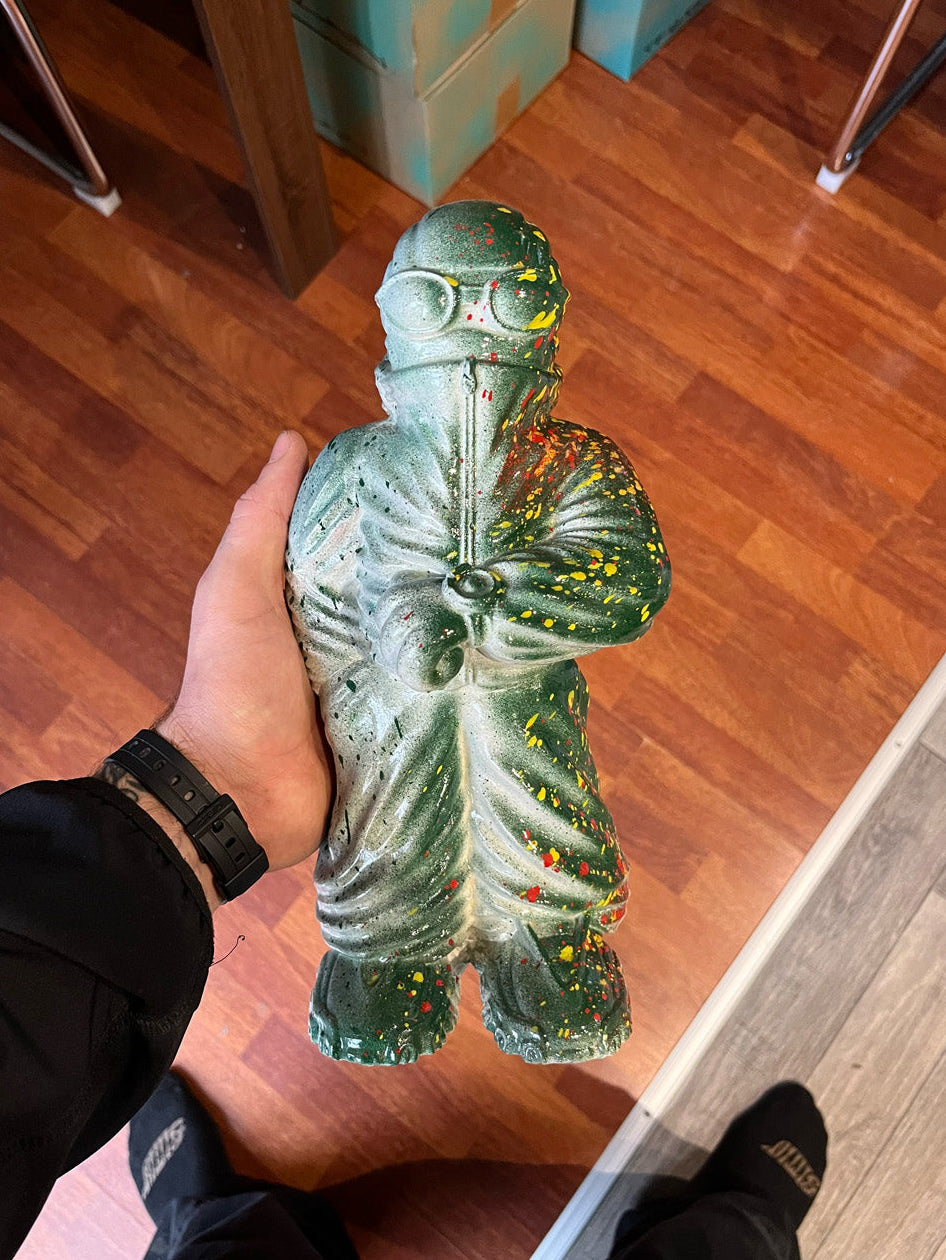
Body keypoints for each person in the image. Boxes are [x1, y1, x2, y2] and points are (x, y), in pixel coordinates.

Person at [0, 432, 827, 1259]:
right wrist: (395, 622)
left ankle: (218, 1219)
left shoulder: (563, 457)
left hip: (530, 744)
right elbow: (318, 589)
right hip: (384, 752)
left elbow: (630, 576)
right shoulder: (360, 464)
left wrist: (500, 607)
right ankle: (734, 1223)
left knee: (548, 838)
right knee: (386, 851)